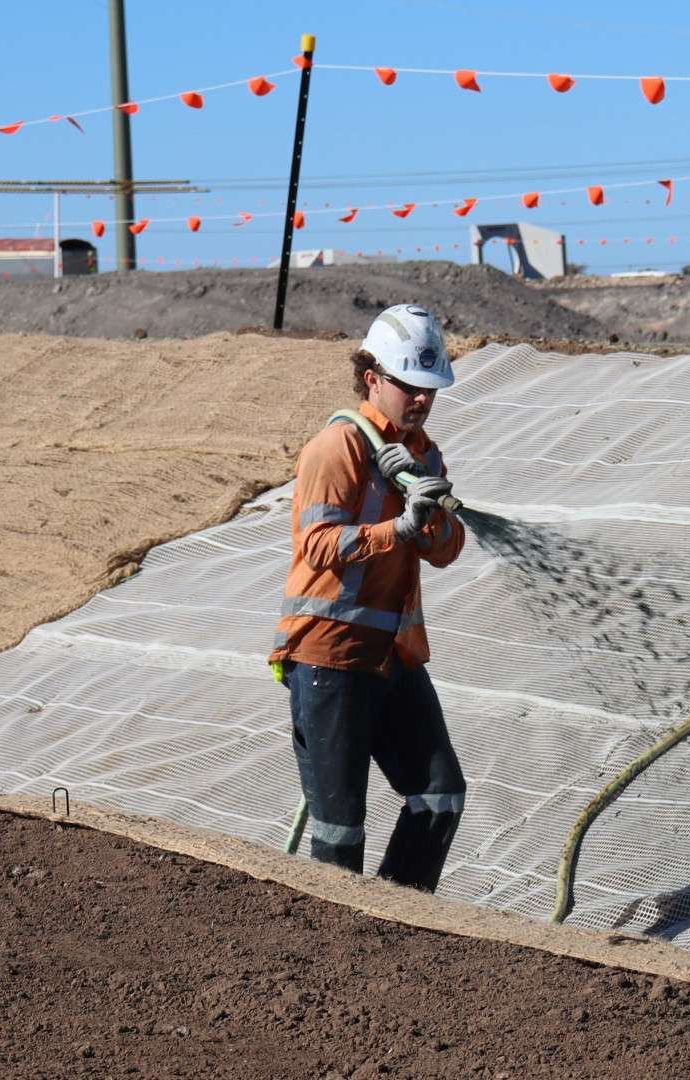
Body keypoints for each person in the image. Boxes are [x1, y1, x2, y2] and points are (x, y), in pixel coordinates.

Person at [268, 304, 469, 890]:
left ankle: (397, 924)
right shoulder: (337, 449)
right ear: (372, 377)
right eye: (409, 385)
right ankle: (336, 952)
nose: (422, 400)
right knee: (340, 834)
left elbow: (447, 550)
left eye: (430, 389)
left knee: (439, 798)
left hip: (392, 656)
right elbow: (317, 545)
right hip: (328, 658)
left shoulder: (424, 456)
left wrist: (431, 522)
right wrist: (397, 530)